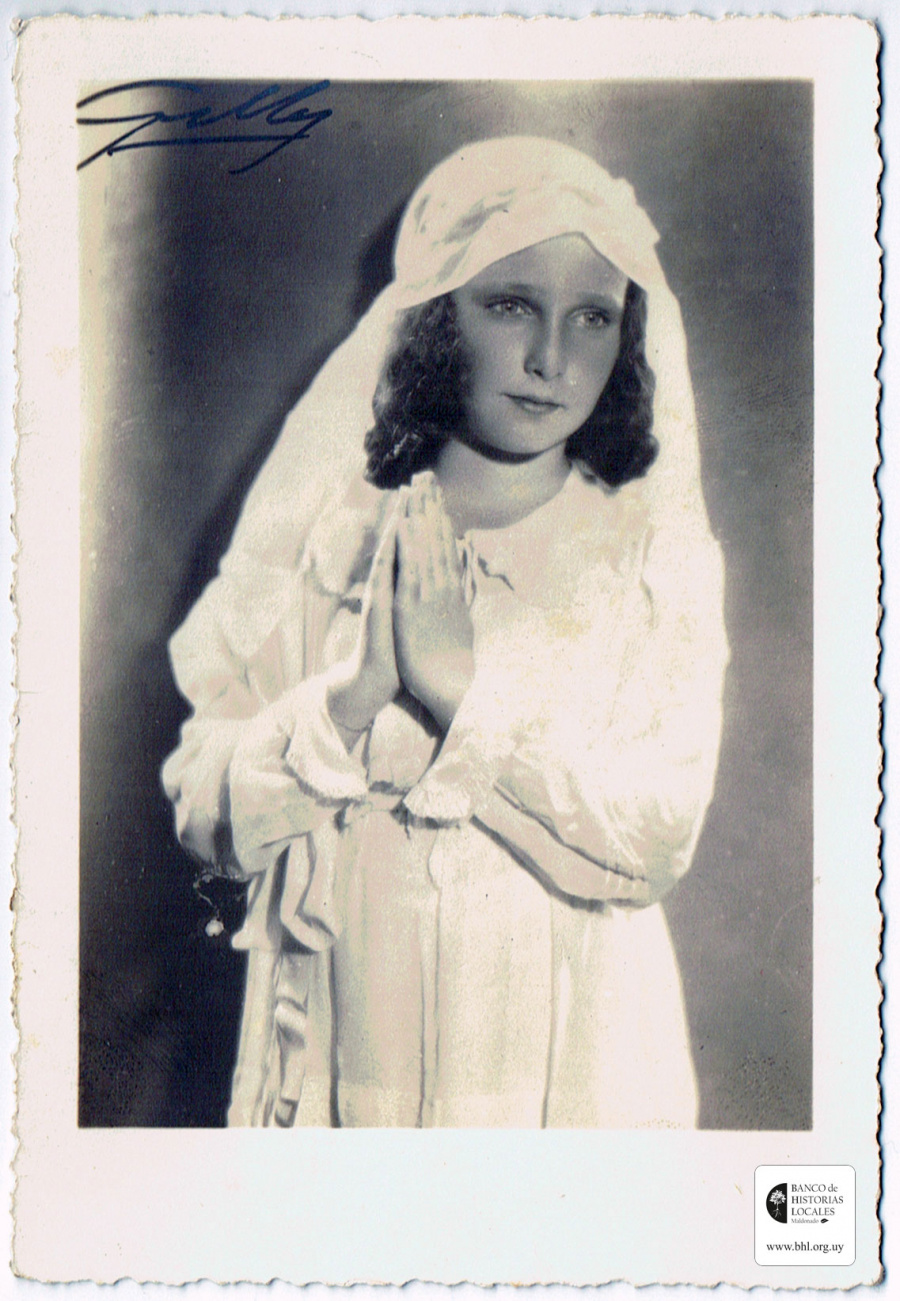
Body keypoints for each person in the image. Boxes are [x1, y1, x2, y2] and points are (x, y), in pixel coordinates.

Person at [162, 136, 729, 1128]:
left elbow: (657, 837)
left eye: (593, 316)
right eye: (511, 305)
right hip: (348, 1060)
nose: (552, 358)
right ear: (435, 316)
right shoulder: (325, 541)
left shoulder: (646, 562)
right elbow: (207, 817)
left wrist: (462, 693)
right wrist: (349, 701)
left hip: (564, 1078)